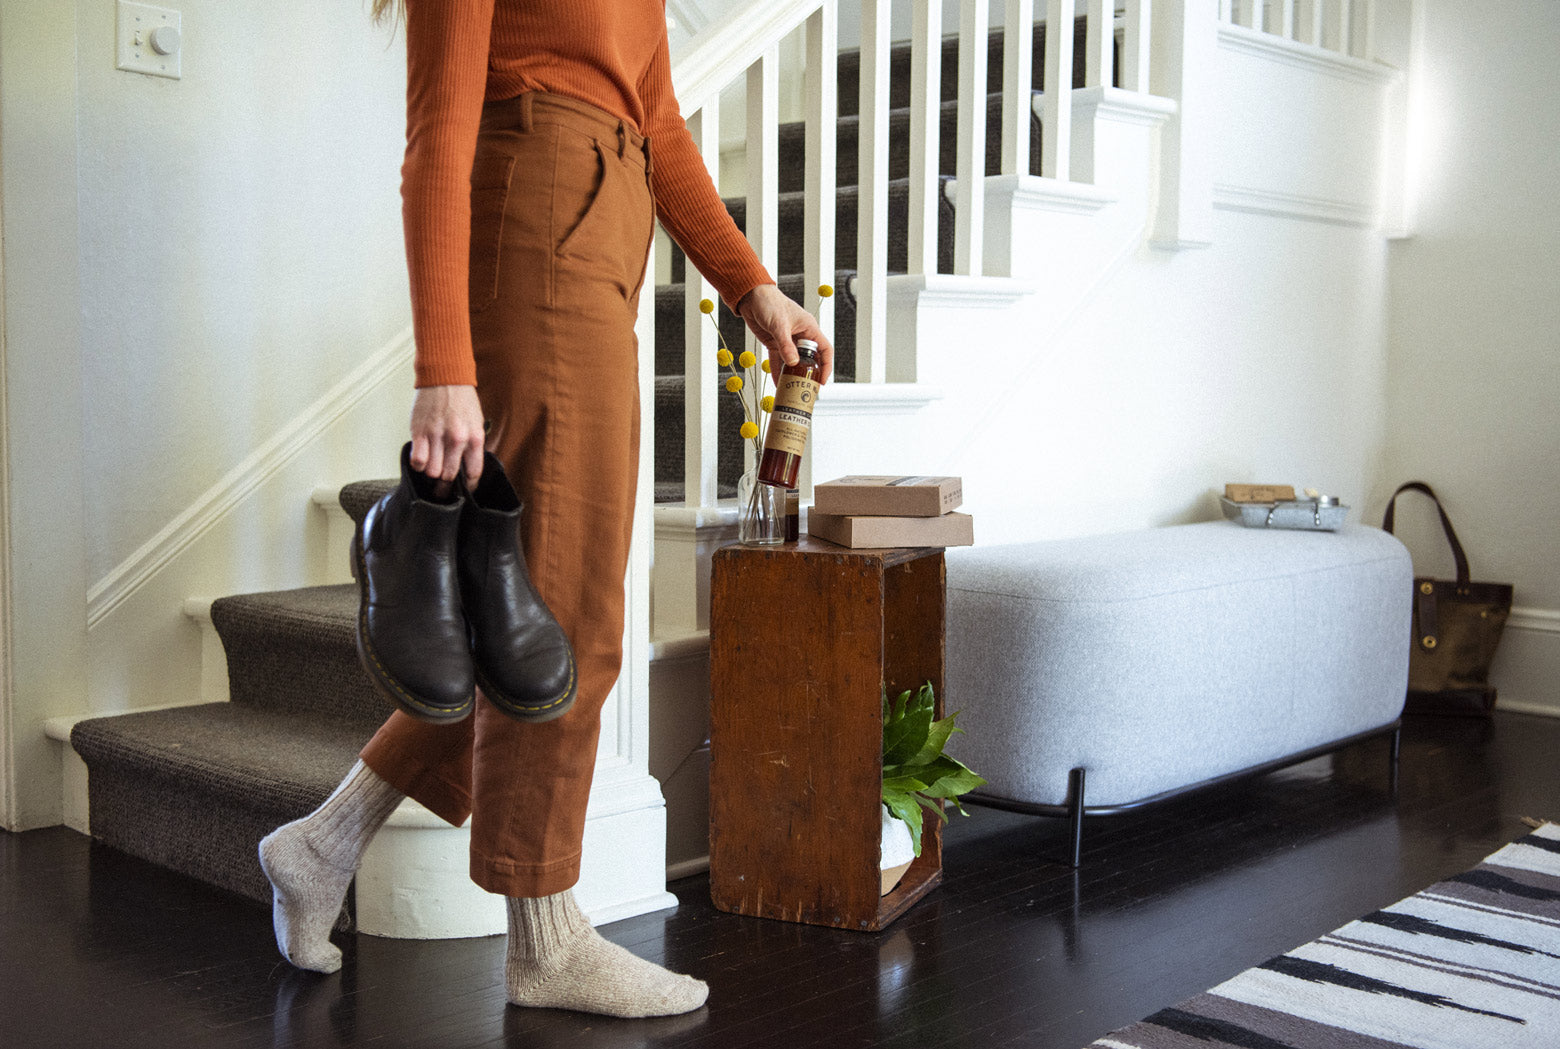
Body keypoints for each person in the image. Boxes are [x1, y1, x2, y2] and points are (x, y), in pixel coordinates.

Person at [256, 0, 833, 1019]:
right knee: (568, 609)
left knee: (531, 614)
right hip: (540, 225)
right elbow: (439, 134)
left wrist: (753, 290)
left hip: (608, 227)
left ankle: (324, 843)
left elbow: (657, 120)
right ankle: (544, 934)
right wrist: (442, 368)